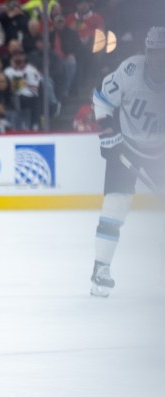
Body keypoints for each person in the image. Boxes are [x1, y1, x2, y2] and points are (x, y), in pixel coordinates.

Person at [90, 27, 165, 297]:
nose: (158, 58)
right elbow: (101, 99)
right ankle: (101, 270)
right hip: (127, 147)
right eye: (153, 51)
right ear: (147, 52)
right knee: (115, 206)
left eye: (162, 52)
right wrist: (109, 134)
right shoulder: (130, 71)